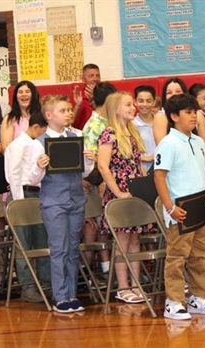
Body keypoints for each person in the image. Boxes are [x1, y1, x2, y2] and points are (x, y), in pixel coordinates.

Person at [154, 94, 205, 320]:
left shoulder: (199, 142)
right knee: (177, 257)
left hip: (201, 207)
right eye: (188, 112)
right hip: (180, 210)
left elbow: (203, 173)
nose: (194, 116)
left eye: (195, 112)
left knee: (199, 254)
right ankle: (173, 301)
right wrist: (170, 207)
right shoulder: (168, 143)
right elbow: (159, 177)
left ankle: (198, 297)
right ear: (174, 116)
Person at [27, 95, 95, 313]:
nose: (68, 113)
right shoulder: (39, 144)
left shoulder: (76, 135)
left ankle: (72, 294)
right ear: (49, 115)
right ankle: (60, 297)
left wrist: (89, 160)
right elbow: (32, 179)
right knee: (59, 248)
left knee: (73, 248)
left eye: (69, 110)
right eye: (63, 110)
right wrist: (39, 166)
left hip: (75, 198)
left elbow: (83, 171)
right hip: (54, 202)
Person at [97, 92, 155, 303]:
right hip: (119, 192)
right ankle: (122, 287)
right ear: (116, 109)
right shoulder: (109, 134)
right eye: (128, 105)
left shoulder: (132, 132)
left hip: (134, 191)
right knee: (122, 240)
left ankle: (136, 284)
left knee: (135, 238)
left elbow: (137, 163)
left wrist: (144, 186)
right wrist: (118, 192)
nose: (133, 108)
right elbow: (103, 166)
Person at [4, 109, 51, 303]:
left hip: (37, 193)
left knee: (42, 241)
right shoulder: (18, 145)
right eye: (43, 131)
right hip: (22, 194)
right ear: (36, 127)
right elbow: (13, 174)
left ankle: (46, 283)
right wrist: (20, 200)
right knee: (23, 244)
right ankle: (28, 286)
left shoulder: (36, 145)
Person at [81, 82, 117, 278]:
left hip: (107, 181)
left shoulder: (109, 122)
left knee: (106, 227)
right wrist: (101, 181)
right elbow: (91, 158)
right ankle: (100, 269)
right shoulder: (95, 125)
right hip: (97, 182)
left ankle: (107, 267)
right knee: (99, 227)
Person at [153, 78, 205, 157]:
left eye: (178, 91)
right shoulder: (160, 117)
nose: (174, 95)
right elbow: (163, 149)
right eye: (169, 92)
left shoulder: (198, 115)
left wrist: (203, 166)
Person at [0, 81, 41, 152]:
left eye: (27, 91)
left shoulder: (42, 117)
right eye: (20, 92)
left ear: (33, 95)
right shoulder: (9, 119)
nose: (24, 94)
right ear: (16, 97)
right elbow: (6, 148)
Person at [133, 85, 157, 172]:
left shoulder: (161, 122)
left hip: (162, 170)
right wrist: (146, 158)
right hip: (142, 171)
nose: (145, 104)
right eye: (141, 101)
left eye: (148, 101)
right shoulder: (131, 125)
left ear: (154, 102)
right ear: (135, 102)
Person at [72, 64, 101, 130]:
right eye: (91, 76)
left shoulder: (105, 96)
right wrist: (77, 105)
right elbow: (69, 123)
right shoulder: (78, 97)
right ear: (83, 79)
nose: (95, 79)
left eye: (98, 76)